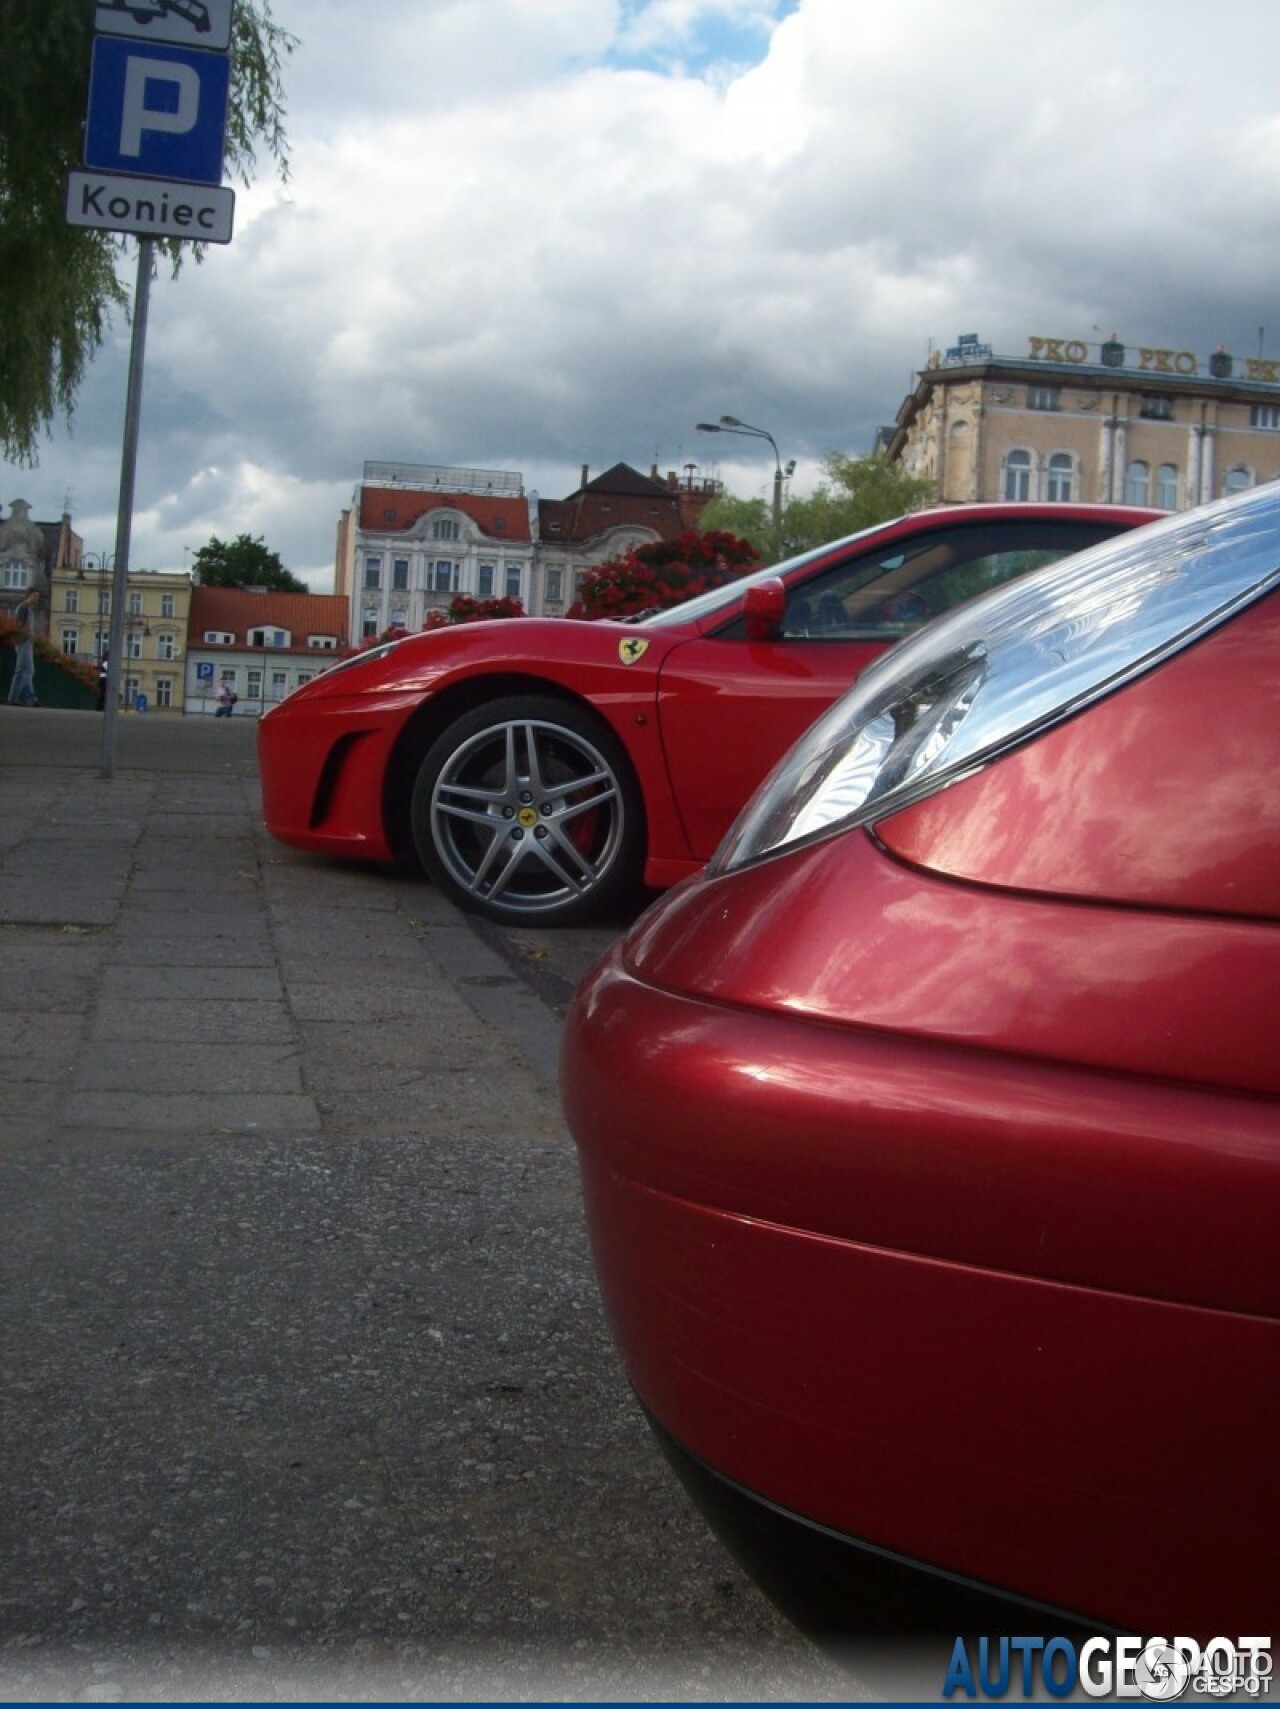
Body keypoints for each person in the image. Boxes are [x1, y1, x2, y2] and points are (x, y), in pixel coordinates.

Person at [6, 588, 40, 706]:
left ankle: (29, 697)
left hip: (25, 642)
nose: (37, 599)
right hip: (23, 642)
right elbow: (19, 625)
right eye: (35, 596)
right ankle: (20, 697)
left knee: (25, 671)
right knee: (25, 670)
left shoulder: (26, 608)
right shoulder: (23, 608)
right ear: (29, 595)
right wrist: (27, 635)